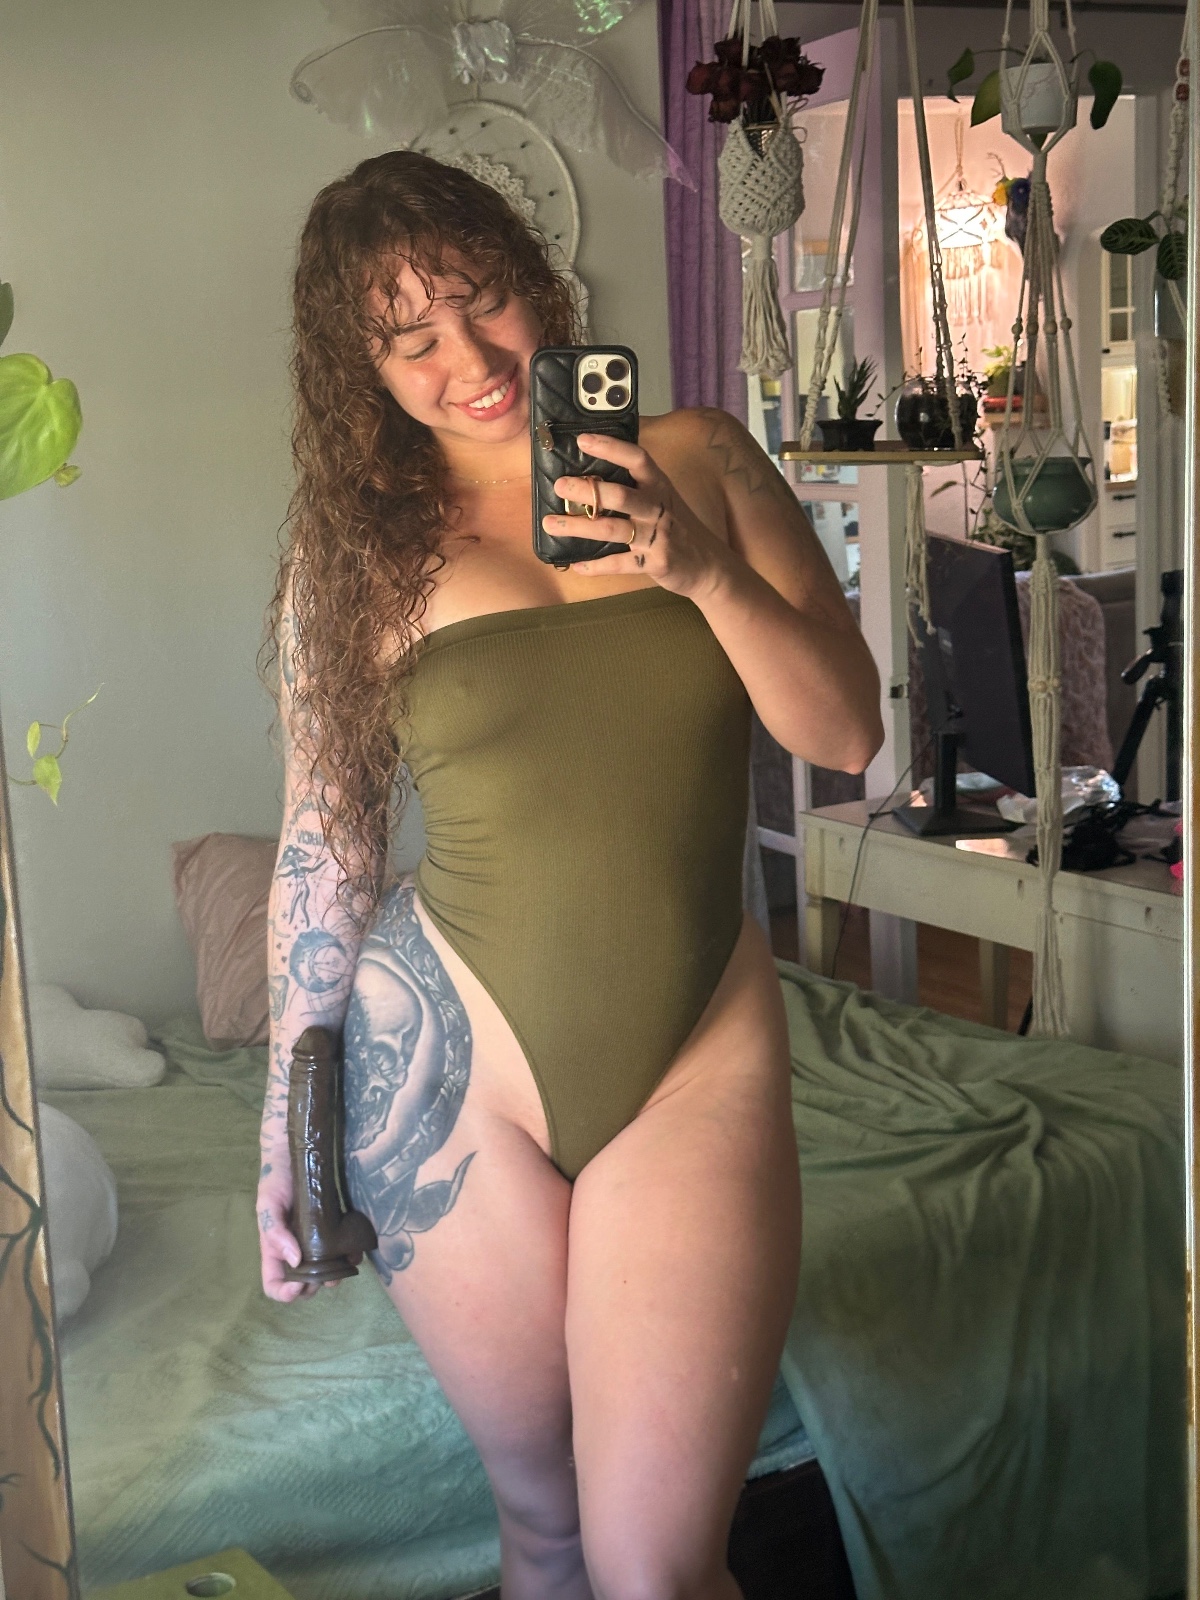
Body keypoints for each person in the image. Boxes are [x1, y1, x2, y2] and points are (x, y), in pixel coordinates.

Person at [257, 150, 883, 1600]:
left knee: (660, 1567)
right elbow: (326, 836)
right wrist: (289, 1123)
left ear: (536, 283)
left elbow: (847, 733)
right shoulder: (354, 553)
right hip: (448, 1068)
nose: (468, 363)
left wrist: (699, 571)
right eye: (410, 341)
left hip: (694, 1059)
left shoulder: (703, 457)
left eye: (483, 304)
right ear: (362, 369)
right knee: (542, 1534)